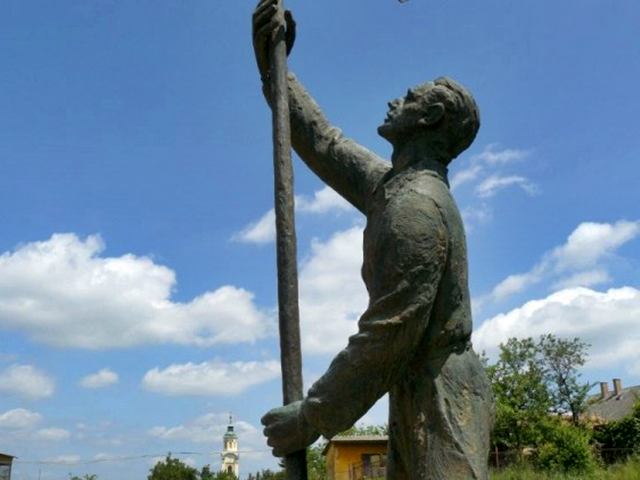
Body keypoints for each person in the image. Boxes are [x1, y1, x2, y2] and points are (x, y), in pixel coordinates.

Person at [253, 1, 494, 478]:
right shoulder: (392, 186)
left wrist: (311, 417)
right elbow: (324, 141)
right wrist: (275, 68)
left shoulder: (415, 208)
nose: (393, 101)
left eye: (408, 98)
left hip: (442, 401)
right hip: (417, 389)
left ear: (430, 117)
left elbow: (388, 334)